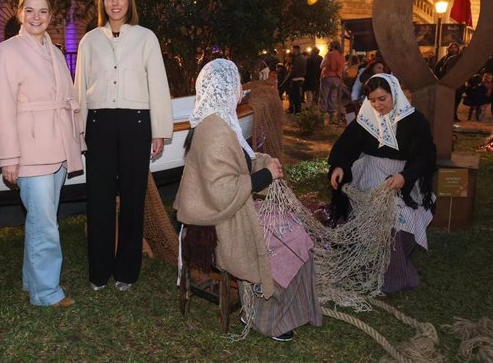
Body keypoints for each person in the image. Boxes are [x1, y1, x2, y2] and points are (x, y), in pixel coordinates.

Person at [174, 59, 321, 342]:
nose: (242, 88)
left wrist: (265, 164)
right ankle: (263, 316)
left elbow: (240, 164)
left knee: (293, 229)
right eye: (238, 82)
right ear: (225, 87)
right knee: (286, 238)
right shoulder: (214, 129)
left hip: (231, 210)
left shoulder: (220, 121)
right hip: (220, 220)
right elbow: (221, 193)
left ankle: (288, 309)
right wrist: (264, 176)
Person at [74, 0, 173, 292]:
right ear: (102, 3)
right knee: (99, 199)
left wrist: (160, 130)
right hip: (100, 125)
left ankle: (127, 271)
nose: (114, 3)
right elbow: (80, 89)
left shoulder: (146, 38)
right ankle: (99, 271)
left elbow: (157, 85)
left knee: (133, 198)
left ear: (129, 1)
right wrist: (78, 130)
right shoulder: (89, 40)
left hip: (136, 125)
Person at [0, 0, 84, 308]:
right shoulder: (6, 52)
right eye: (29, 10)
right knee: (45, 222)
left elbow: (67, 99)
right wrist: (8, 158)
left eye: (43, 11)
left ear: (51, 15)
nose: (36, 17)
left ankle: (33, 281)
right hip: (29, 151)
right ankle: (46, 292)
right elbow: (0, 107)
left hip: (57, 146)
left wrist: (76, 140)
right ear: (18, 13)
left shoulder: (55, 52)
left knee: (41, 219)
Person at [328, 73, 436, 293]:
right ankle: (366, 264)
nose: (377, 105)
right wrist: (339, 165)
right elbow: (346, 146)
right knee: (370, 213)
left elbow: (425, 156)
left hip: (402, 176)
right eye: (373, 100)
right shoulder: (366, 119)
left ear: (394, 94)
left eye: (382, 99)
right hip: (370, 173)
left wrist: (405, 177)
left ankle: (394, 273)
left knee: (397, 217)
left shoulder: (415, 121)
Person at [319, 40, 345, 124]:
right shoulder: (342, 56)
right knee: (332, 97)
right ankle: (331, 118)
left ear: (332, 46)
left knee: (324, 96)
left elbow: (322, 65)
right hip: (337, 78)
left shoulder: (329, 54)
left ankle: (322, 118)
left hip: (327, 76)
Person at [287, 45, 306, 114]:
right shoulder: (303, 58)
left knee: (294, 94)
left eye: (293, 50)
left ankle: (296, 109)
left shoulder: (296, 59)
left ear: (296, 50)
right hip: (301, 78)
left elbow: (293, 69)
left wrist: (290, 75)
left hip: (295, 78)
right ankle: (297, 109)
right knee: (297, 94)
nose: (293, 51)